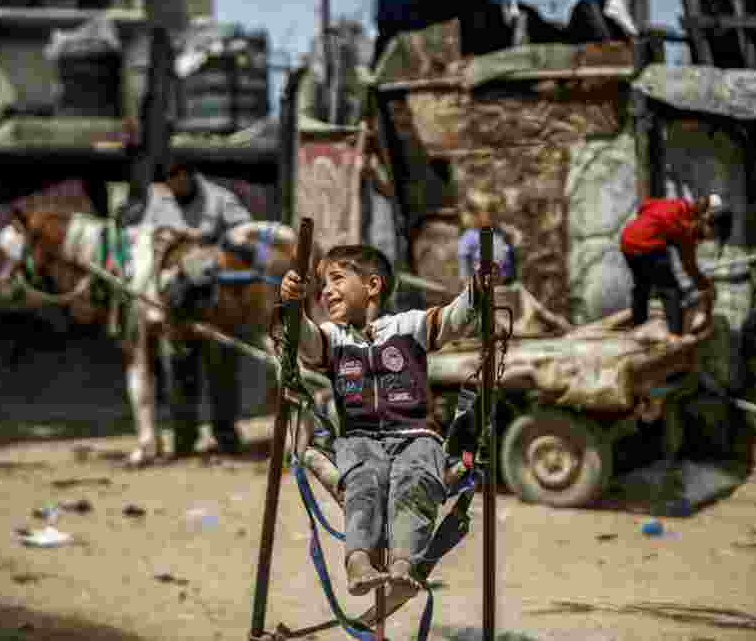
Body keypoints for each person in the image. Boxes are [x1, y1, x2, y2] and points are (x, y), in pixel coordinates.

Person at [280, 244, 496, 600]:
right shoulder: (332, 338)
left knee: (414, 481)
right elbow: (304, 341)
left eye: (336, 279)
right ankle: (359, 562)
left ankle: (402, 564)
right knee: (364, 482)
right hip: (359, 438)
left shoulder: (408, 326)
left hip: (416, 436)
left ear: (373, 286)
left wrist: (477, 288)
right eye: (321, 285)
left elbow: (454, 319)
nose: (325, 291)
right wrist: (292, 305)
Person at [141, 161, 254, 455]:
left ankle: (225, 435)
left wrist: (203, 239)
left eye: (179, 178)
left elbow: (245, 232)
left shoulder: (220, 199)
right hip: (174, 304)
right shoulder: (160, 201)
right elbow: (146, 239)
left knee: (222, 373)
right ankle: (184, 439)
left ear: (190, 176)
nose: (174, 186)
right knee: (179, 371)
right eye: (169, 180)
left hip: (216, 301)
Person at [620, 193, 730, 342]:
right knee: (670, 290)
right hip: (648, 244)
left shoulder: (676, 204)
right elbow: (689, 266)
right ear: (707, 219)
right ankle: (674, 337)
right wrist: (705, 286)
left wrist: (649, 223)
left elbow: (644, 206)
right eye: (714, 234)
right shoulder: (686, 226)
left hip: (628, 239)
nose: (710, 239)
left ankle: (638, 326)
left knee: (642, 286)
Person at [457, 189, 516, 287]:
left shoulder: (501, 233)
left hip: (504, 285)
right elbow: (464, 261)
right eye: (491, 210)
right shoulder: (470, 237)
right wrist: (467, 283)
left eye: (496, 210)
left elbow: (509, 257)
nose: (495, 214)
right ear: (476, 214)